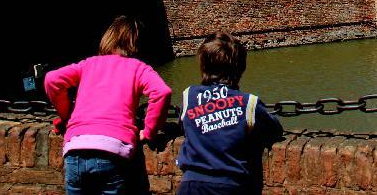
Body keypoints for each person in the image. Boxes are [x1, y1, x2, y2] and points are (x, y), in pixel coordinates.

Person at [44, 16, 172, 195]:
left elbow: (52, 79)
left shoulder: (89, 64)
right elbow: (162, 92)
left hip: (75, 151)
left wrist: (67, 115)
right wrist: (149, 131)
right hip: (112, 153)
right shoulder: (138, 67)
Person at [176, 33, 283, 195]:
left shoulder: (189, 96)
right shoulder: (249, 103)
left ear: (203, 65)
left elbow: (185, 126)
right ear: (241, 68)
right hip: (232, 185)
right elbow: (274, 130)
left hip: (191, 185)